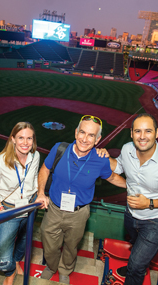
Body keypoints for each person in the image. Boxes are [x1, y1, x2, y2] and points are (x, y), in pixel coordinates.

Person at [100, 113, 158, 285]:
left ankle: (135, 268)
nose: (142, 137)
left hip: (157, 221)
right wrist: (106, 157)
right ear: (131, 133)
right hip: (131, 214)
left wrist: (149, 203)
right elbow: (119, 166)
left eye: (148, 131)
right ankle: (135, 263)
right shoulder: (127, 149)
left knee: (137, 266)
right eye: (138, 131)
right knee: (135, 247)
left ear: (156, 133)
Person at [37, 115, 126, 284]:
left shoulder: (100, 159)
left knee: (71, 245)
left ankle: (65, 269)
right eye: (82, 132)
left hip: (79, 213)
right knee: (48, 241)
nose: (85, 139)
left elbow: (113, 177)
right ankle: (51, 266)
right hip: (54, 208)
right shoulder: (60, 149)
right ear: (76, 132)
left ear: (98, 139)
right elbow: (45, 169)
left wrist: (131, 186)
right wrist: (41, 192)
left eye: (91, 135)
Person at [0, 122, 40, 285]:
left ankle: (17, 261)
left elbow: (34, 180)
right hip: (9, 211)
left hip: (30, 207)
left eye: (29, 138)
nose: (25, 142)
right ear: (13, 139)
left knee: (24, 239)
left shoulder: (35, 156)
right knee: (2, 257)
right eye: (21, 138)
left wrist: (39, 195)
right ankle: (9, 271)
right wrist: (1, 209)